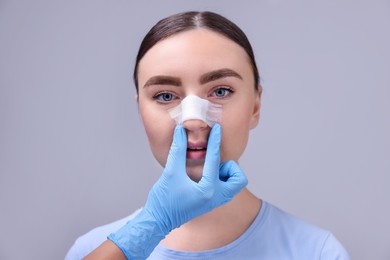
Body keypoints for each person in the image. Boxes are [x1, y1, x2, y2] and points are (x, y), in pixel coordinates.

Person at [65, 11, 350, 260]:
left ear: (255, 105)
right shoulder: (91, 251)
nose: (193, 120)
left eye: (220, 91)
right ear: (139, 108)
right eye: (165, 96)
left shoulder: (317, 253)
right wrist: (151, 225)